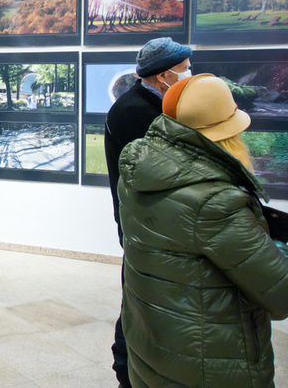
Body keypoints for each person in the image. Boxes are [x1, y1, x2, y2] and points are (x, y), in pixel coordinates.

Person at [118, 74, 288, 387]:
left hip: (152, 352)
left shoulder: (136, 173)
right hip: (212, 367)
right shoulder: (216, 202)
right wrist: (273, 239)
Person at [103, 36, 191, 388]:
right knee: (138, 300)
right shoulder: (134, 112)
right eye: (184, 71)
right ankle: (126, 368)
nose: (188, 76)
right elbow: (158, 173)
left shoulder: (150, 106)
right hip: (143, 224)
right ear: (163, 75)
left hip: (152, 223)